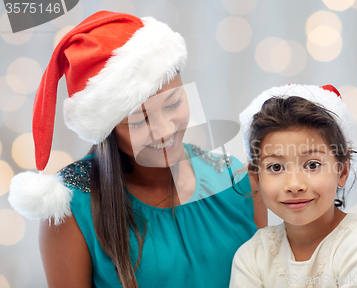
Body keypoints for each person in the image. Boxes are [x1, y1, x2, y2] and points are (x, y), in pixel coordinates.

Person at [8, 11, 267, 288]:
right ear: (107, 129)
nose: (165, 130)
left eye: (173, 104)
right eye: (139, 120)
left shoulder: (238, 183)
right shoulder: (69, 211)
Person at [230, 84, 357, 287]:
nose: (294, 185)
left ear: (342, 171)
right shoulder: (253, 256)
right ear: (256, 177)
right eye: (275, 167)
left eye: (312, 165)